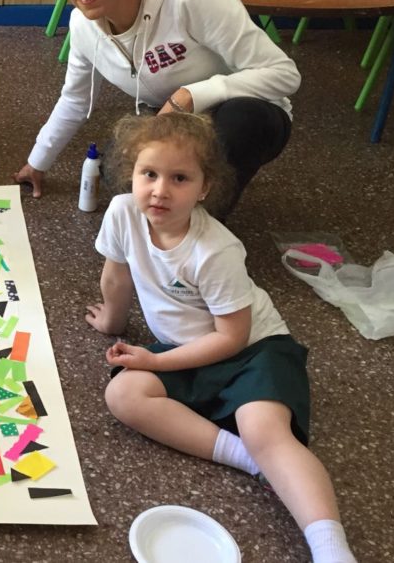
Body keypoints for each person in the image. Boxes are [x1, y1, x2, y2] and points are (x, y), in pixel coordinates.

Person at [89, 112, 355, 563]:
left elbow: (232, 337)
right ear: (130, 174)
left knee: (265, 432)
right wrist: (114, 322)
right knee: (123, 395)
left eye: (179, 178)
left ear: (204, 188)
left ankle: (332, 549)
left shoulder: (217, 250)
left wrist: (154, 361)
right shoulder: (122, 212)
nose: (160, 190)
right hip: (184, 349)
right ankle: (247, 459)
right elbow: (116, 274)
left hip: (252, 349)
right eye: (148, 174)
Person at [14, 0, 299, 217]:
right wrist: (37, 163)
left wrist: (191, 95)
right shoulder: (83, 26)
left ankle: (202, 229)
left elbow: (284, 74)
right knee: (115, 170)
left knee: (237, 129)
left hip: (248, 112)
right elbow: (75, 100)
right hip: (170, 119)